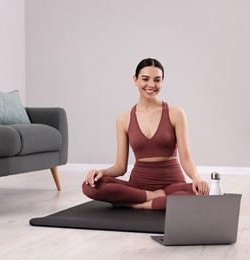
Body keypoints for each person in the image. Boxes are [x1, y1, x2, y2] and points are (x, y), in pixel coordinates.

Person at [82, 58, 210, 210]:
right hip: (138, 186)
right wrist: (100, 172)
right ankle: (154, 199)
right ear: (135, 80)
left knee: (199, 194)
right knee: (89, 186)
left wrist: (197, 178)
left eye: (157, 80)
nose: (151, 85)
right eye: (145, 79)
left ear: (163, 81)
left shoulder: (176, 113)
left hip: (173, 184)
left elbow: (187, 158)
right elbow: (120, 167)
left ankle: (138, 205)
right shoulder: (124, 118)